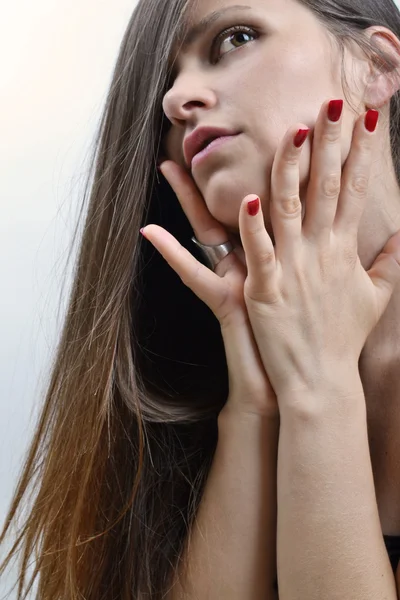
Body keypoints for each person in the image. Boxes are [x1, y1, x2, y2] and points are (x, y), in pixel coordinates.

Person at [2, 0, 400, 597]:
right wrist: (259, 401)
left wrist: (317, 385)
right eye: (168, 80)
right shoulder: (207, 409)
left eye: (235, 38)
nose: (175, 99)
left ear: (376, 65)